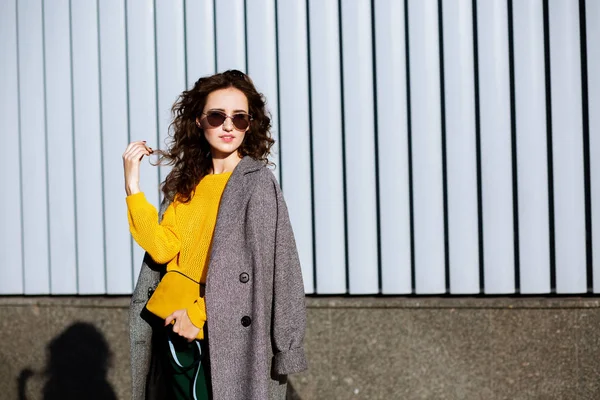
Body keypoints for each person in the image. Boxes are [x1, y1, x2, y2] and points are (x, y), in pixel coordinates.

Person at [122, 70, 307, 400]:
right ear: (198, 120)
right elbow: (163, 249)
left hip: (220, 331)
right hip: (172, 326)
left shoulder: (257, 184)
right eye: (217, 116)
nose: (228, 126)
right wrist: (133, 188)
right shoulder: (189, 182)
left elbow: (268, 272)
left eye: (240, 118)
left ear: (251, 125)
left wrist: (198, 315)